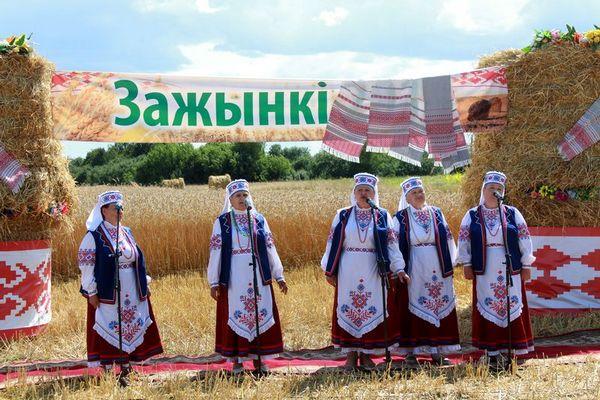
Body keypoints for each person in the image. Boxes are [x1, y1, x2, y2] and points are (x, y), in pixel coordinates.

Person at [321, 173, 410, 369]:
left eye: (367, 190)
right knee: (350, 308)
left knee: (372, 308)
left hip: (373, 268)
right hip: (348, 268)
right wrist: (329, 269)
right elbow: (331, 243)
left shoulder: (382, 215)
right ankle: (351, 356)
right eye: (359, 190)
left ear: (374, 193)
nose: (363, 193)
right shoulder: (342, 214)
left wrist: (399, 268)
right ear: (353, 193)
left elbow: (392, 245)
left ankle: (367, 355)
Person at [207, 179, 288, 374]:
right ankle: (237, 361)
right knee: (237, 313)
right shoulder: (222, 222)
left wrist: (279, 275)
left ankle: (259, 359)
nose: (242, 199)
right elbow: (216, 251)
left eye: (245, 195)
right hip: (234, 276)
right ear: (230, 199)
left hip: (258, 275)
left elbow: (269, 246)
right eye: (238, 196)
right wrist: (213, 281)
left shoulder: (259, 219)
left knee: (259, 312)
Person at [78, 190, 163, 375]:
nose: (120, 211)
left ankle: (126, 365)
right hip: (108, 292)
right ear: (104, 210)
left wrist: (144, 284)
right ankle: (109, 367)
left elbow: (136, 258)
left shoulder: (127, 232)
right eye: (115, 208)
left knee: (129, 324)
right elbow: (86, 265)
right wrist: (91, 291)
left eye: (121, 207)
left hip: (131, 289)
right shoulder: (93, 236)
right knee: (110, 325)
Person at [457, 171, 535, 369]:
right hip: (485, 267)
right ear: (483, 190)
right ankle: (491, 351)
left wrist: (526, 264)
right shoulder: (472, 215)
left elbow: (524, 238)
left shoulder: (512, 213)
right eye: (491, 188)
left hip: (510, 265)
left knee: (511, 302)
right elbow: (464, 240)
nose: (495, 191)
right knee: (488, 303)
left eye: (499, 189)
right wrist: (466, 263)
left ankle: (513, 348)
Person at [392, 177, 461, 365]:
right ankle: (411, 352)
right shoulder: (400, 217)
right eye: (414, 193)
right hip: (414, 264)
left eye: (421, 191)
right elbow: (394, 245)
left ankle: (437, 351)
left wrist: (452, 262)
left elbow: (447, 238)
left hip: (437, 265)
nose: (419, 195)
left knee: (437, 304)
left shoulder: (436, 213)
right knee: (412, 305)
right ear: (406, 197)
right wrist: (398, 268)